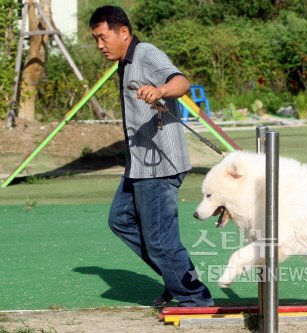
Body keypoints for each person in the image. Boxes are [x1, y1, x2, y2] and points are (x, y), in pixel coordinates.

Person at [89, 5, 213, 307]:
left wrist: (160, 90)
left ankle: (195, 298)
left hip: (159, 165)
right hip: (139, 165)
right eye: (95, 39)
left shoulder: (145, 53)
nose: (99, 45)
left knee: (159, 240)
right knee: (120, 219)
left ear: (123, 32)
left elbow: (181, 83)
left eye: (103, 37)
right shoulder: (125, 62)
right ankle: (178, 278)